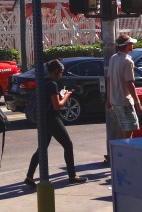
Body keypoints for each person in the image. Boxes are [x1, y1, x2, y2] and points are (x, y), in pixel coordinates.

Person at [24, 59, 87, 189]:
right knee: (68, 145)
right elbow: (57, 106)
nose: (62, 75)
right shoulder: (52, 84)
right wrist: (67, 96)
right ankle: (72, 176)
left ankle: (29, 176)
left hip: (43, 119)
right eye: (61, 72)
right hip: (52, 119)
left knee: (42, 149)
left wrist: (60, 95)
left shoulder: (43, 82)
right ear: (56, 71)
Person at [106, 33, 142, 140]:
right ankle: (125, 152)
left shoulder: (113, 58)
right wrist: (138, 103)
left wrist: (109, 98)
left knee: (123, 128)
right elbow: (130, 84)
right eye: (131, 43)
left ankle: (119, 152)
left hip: (115, 100)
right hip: (125, 100)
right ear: (127, 45)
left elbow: (109, 79)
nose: (132, 45)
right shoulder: (128, 61)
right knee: (130, 128)